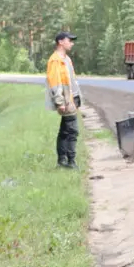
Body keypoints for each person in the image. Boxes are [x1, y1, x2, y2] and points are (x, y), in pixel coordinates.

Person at [45, 31, 82, 169]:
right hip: (66, 101)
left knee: (65, 131)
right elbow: (55, 82)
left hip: (72, 100)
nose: (72, 43)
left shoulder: (66, 59)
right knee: (72, 131)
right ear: (60, 42)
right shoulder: (55, 60)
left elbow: (71, 81)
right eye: (69, 40)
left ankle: (62, 161)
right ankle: (71, 162)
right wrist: (59, 102)